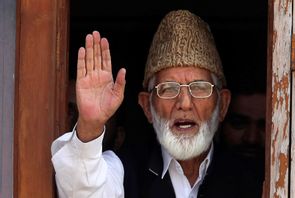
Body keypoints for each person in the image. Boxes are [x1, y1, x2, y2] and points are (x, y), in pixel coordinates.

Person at [51, 10, 262, 198]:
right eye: (168, 89)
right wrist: (90, 124)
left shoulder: (255, 182)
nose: (185, 103)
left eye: (199, 88)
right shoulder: (124, 168)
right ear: (147, 107)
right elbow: (82, 191)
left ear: (222, 105)